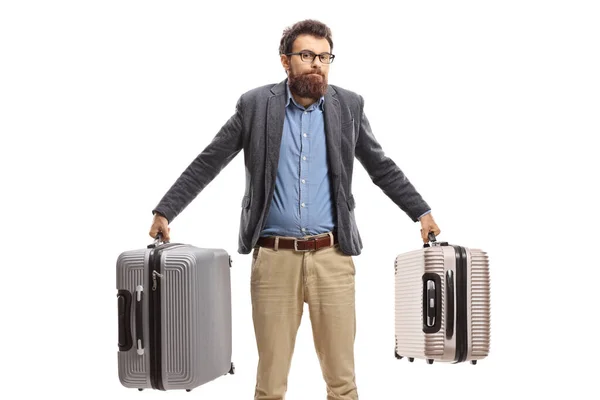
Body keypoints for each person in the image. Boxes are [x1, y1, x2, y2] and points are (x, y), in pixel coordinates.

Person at [149, 19, 440, 400]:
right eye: (306, 55)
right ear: (285, 61)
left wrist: (421, 211)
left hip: (333, 258)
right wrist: (165, 210)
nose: (317, 64)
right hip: (274, 259)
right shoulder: (255, 105)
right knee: (270, 384)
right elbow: (209, 161)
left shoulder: (348, 106)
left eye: (324, 56)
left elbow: (381, 167)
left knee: (342, 381)